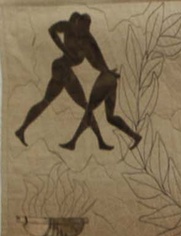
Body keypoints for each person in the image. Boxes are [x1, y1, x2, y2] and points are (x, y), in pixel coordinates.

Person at [16, 13, 112, 149]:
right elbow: (51, 29)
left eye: (86, 27)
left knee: (45, 101)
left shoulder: (87, 39)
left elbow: (97, 58)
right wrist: (64, 49)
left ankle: (21, 130)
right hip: (62, 69)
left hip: (60, 69)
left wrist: (107, 70)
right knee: (86, 106)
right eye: (81, 26)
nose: (83, 29)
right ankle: (98, 142)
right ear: (77, 22)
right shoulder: (69, 27)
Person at [59, 14, 141, 151]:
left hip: (106, 79)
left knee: (89, 111)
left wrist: (108, 71)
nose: (80, 29)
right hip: (109, 78)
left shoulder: (85, 40)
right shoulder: (85, 38)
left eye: (83, 26)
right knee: (110, 117)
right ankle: (135, 136)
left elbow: (93, 59)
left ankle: (73, 142)